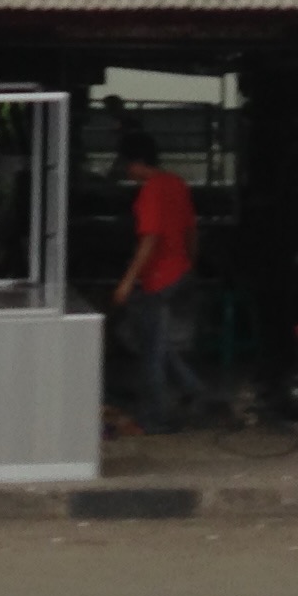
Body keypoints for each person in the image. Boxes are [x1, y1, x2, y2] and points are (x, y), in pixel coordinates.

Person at [109, 130, 212, 434]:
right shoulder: (177, 184)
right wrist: (190, 263)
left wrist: (127, 281)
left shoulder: (150, 191)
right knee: (148, 337)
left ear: (136, 162)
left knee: (149, 350)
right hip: (180, 272)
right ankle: (192, 387)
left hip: (158, 278)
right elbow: (192, 230)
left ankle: (154, 418)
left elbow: (149, 239)